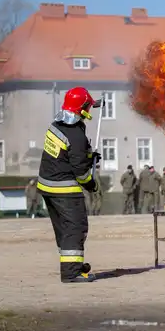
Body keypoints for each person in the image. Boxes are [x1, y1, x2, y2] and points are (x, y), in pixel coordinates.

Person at [36, 87, 101, 283]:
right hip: (64, 188)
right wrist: (90, 183)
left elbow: (67, 155)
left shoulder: (56, 126)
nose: (89, 111)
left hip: (47, 186)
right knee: (75, 227)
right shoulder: (75, 134)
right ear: (80, 108)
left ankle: (72, 265)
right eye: (87, 107)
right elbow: (80, 171)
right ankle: (71, 273)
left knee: (64, 228)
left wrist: (89, 156)